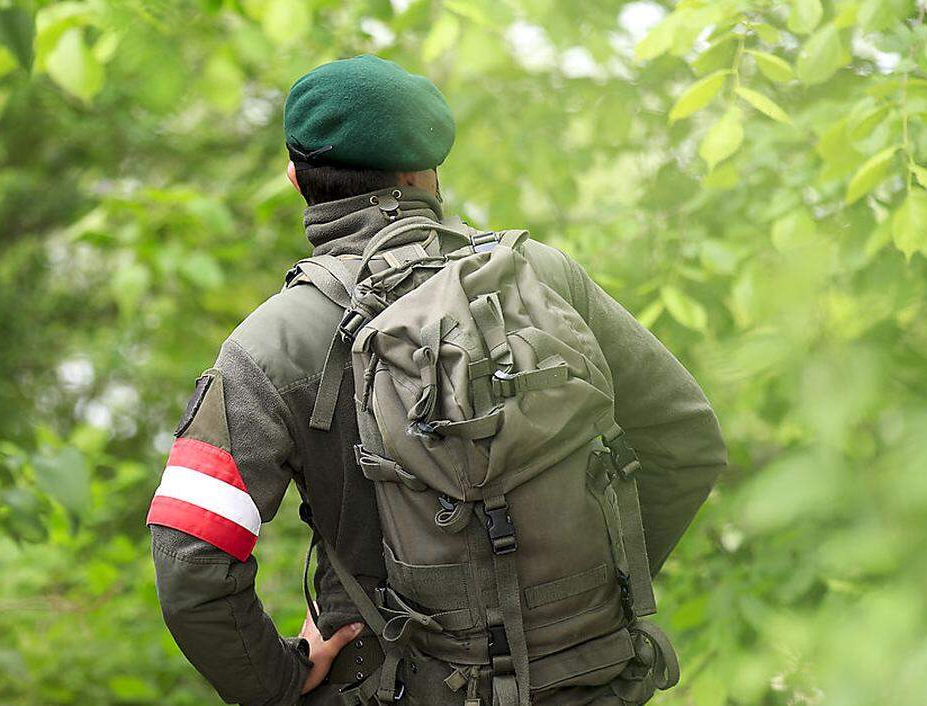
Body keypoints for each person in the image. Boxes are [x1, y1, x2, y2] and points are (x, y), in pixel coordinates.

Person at [147, 55, 727, 705]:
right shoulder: (540, 276)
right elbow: (686, 436)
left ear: (294, 178)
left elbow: (191, 563)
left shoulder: (270, 345)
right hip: (591, 684)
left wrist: (280, 685)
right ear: (425, 171)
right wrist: (593, 598)